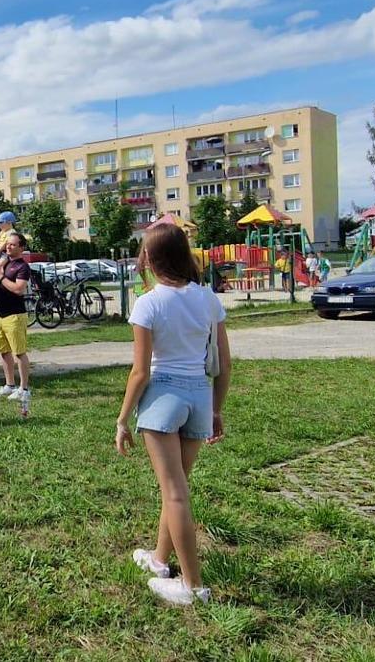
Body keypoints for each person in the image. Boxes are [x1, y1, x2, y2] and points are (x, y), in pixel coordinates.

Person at [115, 222, 231, 607]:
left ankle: (192, 586)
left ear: (148, 258)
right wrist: (215, 409)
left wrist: (122, 419)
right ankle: (159, 560)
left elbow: (140, 371)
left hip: (163, 396)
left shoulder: (148, 302)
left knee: (175, 492)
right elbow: (224, 365)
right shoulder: (208, 298)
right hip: (199, 395)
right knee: (176, 488)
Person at [0, 231, 33, 414]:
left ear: (21, 248)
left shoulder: (22, 267)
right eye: (8, 244)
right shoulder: (4, 263)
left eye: (13, 245)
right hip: (0, 315)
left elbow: (19, 289)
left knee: (19, 353)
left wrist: (1, 278)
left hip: (15, 316)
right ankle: (10, 385)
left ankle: (24, 389)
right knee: (4, 352)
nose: (8, 247)